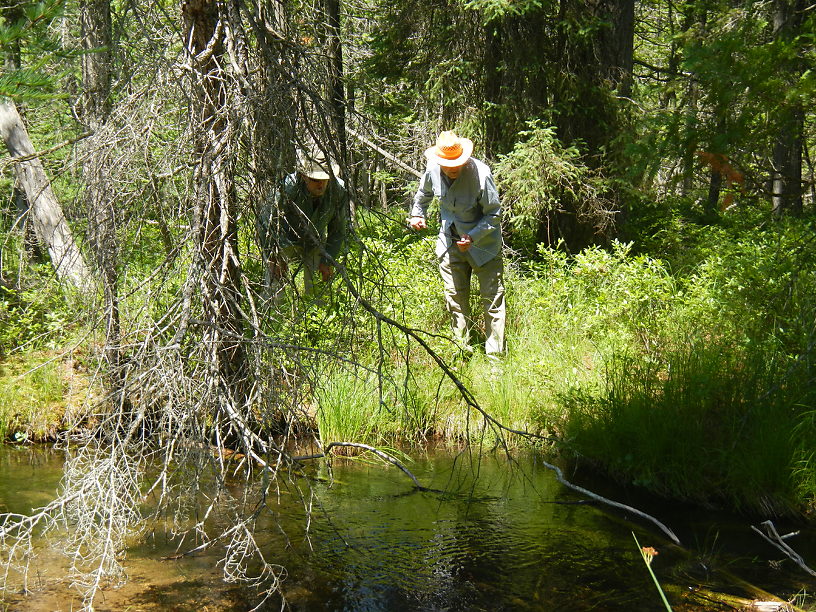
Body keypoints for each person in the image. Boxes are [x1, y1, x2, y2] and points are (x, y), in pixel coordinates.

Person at [409, 130, 506, 356]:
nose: (452, 168)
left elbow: (493, 215)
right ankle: (461, 352)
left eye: (456, 164)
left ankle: (495, 360)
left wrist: (473, 236)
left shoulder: (481, 174)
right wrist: (418, 215)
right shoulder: (432, 169)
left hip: (483, 247)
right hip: (450, 243)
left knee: (492, 302)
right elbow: (422, 195)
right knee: (455, 300)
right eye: (447, 164)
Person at [258, 145, 350, 298]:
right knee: (275, 282)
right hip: (284, 239)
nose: (321, 184)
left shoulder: (338, 190)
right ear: (303, 176)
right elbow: (265, 220)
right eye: (315, 180)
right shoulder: (288, 187)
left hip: (315, 240)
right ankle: (273, 318)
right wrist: (272, 256)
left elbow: (338, 229)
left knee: (319, 288)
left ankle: (319, 317)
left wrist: (328, 259)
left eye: (325, 179)